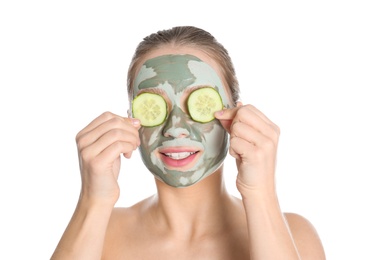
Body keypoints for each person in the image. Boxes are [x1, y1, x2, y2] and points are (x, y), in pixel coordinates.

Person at [51, 26, 325, 259]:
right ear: (130, 121)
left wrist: (261, 194)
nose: (175, 128)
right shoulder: (100, 233)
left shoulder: (295, 236)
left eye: (200, 103)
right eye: (154, 107)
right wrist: (93, 200)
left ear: (235, 116)